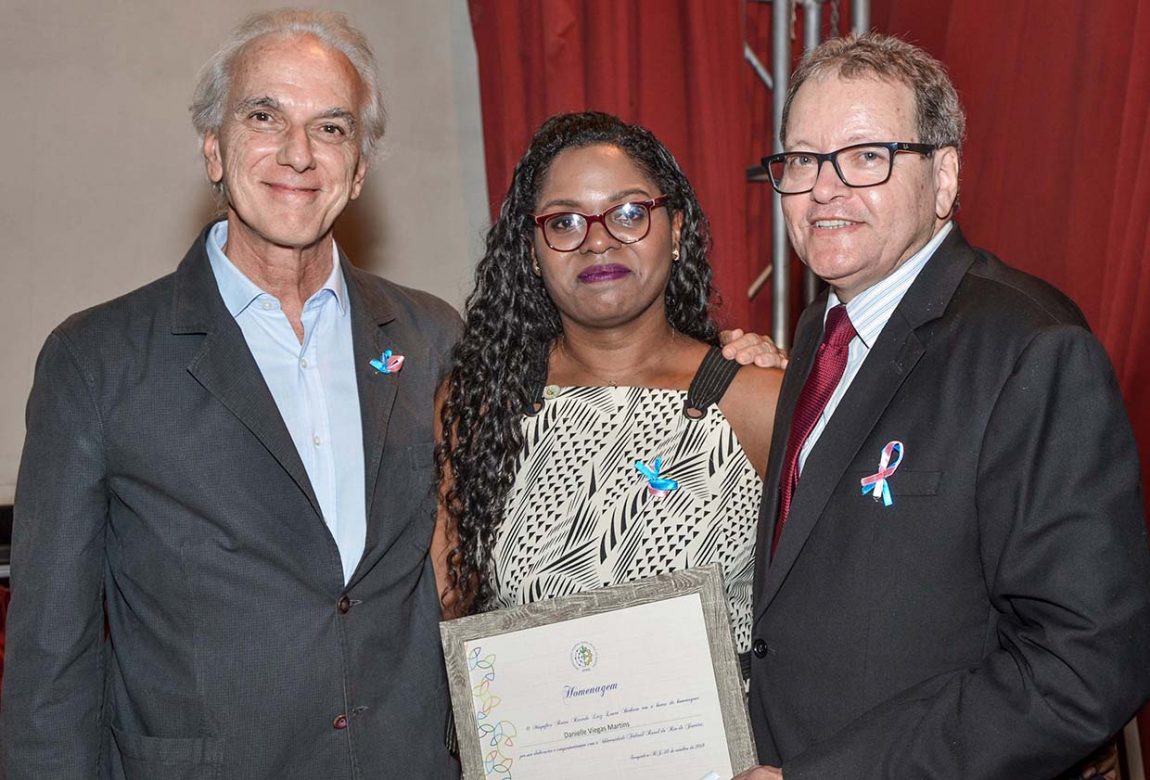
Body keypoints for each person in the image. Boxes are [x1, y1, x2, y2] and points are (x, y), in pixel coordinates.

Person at [2, 10, 461, 778]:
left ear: (359, 169)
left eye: (331, 128)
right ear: (214, 149)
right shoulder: (98, 361)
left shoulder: (433, 339)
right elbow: (52, 658)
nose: (298, 153)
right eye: (263, 117)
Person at [736, 33, 1150, 779]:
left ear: (945, 176)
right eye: (802, 159)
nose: (824, 188)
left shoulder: (1032, 349)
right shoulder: (822, 329)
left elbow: (1083, 665)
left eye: (866, 156)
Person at [432, 111, 784, 660]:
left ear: (676, 230)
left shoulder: (756, 399)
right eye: (564, 222)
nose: (597, 241)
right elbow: (453, 614)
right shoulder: (482, 402)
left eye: (628, 213)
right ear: (532, 250)